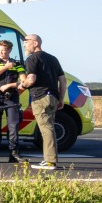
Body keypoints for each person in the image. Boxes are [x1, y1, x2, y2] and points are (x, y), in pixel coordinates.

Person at [20, 33, 66, 171]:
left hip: (40, 97)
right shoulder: (53, 59)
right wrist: (61, 99)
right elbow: (63, 80)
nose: (24, 45)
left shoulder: (32, 59)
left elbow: (31, 79)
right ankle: (49, 159)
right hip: (53, 97)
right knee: (49, 127)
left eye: (26, 42)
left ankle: (50, 161)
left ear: (35, 43)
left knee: (46, 129)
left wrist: (22, 85)